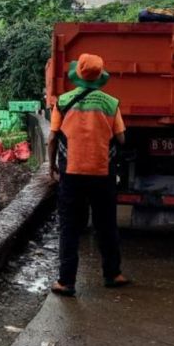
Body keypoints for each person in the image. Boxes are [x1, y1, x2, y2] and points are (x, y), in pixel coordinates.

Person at [46, 52, 130, 296]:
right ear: (99, 77)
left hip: (71, 173)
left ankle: (66, 281)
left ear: (78, 74)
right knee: (106, 224)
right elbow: (121, 138)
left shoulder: (62, 101)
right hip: (102, 173)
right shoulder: (111, 103)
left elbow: (52, 138)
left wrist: (52, 166)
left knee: (69, 226)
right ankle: (113, 274)